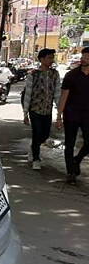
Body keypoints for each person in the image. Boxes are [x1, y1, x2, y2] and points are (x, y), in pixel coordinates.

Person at [22, 48, 61, 171]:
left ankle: (33, 148)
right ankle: (36, 159)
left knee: (44, 135)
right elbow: (28, 94)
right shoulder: (33, 74)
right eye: (49, 57)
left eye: (52, 57)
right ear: (41, 59)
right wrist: (25, 113)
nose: (51, 60)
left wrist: (60, 112)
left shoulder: (55, 74)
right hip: (35, 110)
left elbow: (57, 93)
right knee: (37, 132)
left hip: (47, 111)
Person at [57, 46, 89, 184]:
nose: (84, 59)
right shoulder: (71, 75)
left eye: (87, 57)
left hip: (88, 115)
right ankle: (70, 172)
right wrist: (59, 116)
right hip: (71, 114)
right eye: (83, 57)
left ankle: (77, 160)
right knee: (69, 143)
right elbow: (64, 96)